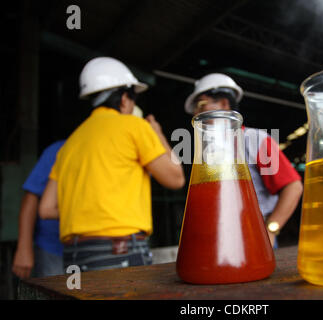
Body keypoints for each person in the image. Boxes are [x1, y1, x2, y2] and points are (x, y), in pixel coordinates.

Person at [39, 57, 185, 272]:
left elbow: (46, 209)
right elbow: (176, 178)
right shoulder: (134, 126)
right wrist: (158, 133)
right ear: (125, 99)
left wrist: (89, 208)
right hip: (120, 250)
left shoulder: (69, 145)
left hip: (75, 255)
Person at [184, 73, 303, 248]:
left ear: (224, 104)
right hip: (218, 238)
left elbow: (293, 186)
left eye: (201, 105)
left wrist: (271, 229)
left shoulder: (254, 139)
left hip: (254, 236)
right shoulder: (207, 152)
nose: (196, 113)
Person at [12, 140, 65, 279]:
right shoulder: (60, 150)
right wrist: (24, 247)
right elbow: (36, 201)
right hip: (52, 248)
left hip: (93, 248)